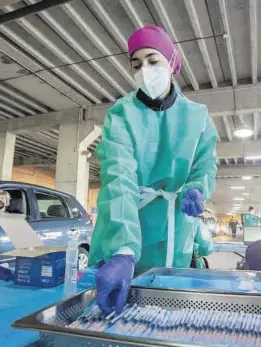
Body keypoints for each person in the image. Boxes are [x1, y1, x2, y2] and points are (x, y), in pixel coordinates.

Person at [90, 25, 218, 314]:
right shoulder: (122, 114)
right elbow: (118, 177)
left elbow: (205, 162)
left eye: (153, 60)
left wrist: (197, 187)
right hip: (133, 222)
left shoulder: (197, 116)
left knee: (172, 306)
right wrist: (123, 250)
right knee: (128, 307)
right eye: (136, 64)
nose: (144, 69)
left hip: (179, 227)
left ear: (172, 63)